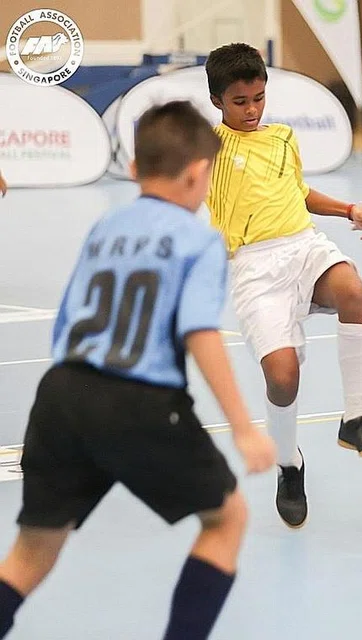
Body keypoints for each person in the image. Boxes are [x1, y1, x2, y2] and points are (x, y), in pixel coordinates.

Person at [0, 100, 276, 639]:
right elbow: (200, 332)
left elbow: (66, 323)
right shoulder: (199, 239)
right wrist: (244, 428)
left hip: (61, 393)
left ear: (133, 169)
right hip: (140, 401)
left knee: (31, 553)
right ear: (198, 173)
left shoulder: (107, 225)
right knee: (227, 519)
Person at [204, 43, 362, 529]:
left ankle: (356, 420)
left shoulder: (284, 138)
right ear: (217, 101)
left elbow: (299, 194)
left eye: (259, 98)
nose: (252, 110)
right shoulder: (208, 149)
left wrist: (348, 209)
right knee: (283, 376)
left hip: (303, 246)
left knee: (353, 291)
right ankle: (289, 464)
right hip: (253, 267)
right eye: (240, 102)